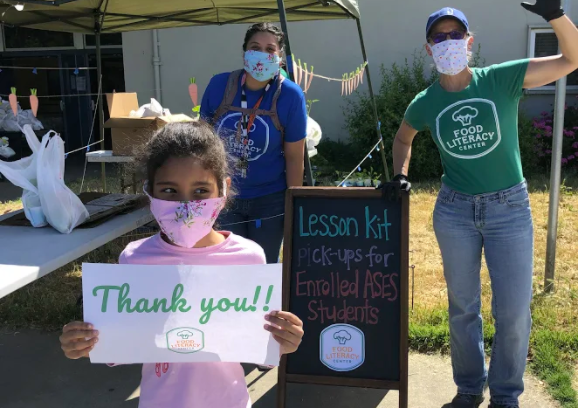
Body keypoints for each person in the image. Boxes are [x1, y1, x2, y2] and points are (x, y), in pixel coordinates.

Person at [392, 3, 578, 408]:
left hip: (508, 209)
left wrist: (556, 15)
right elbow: (403, 137)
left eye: (455, 35)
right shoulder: (425, 102)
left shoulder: (501, 79)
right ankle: (469, 387)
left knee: (512, 311)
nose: (448, 43)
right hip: (454, 211)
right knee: (463, 308)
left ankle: (506, 395)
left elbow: (572, 58)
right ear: (429, 49)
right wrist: (401, 174)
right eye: (439, 38)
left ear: (469, 42)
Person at [59, 122, 304, 408]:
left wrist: (283, 342)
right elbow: (121, 342)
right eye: (170, 190)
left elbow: (258, 343)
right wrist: (87, 342)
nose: (186, 204)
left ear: (223, 190)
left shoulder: (248, 258)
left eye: (201, 190)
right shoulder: (135, 259)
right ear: (149, 191)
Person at [200, 22, 307, 264]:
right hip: (225, 197)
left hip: (270, 199)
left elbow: (294, 156)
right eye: (255, 47)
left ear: (280, 57)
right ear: (244, 52)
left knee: (262, 267)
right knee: (226, 266)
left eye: (270, 50)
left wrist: (293, 203)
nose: (262, 55)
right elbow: (203, 145)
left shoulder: (290, 95)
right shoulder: (219, 86)